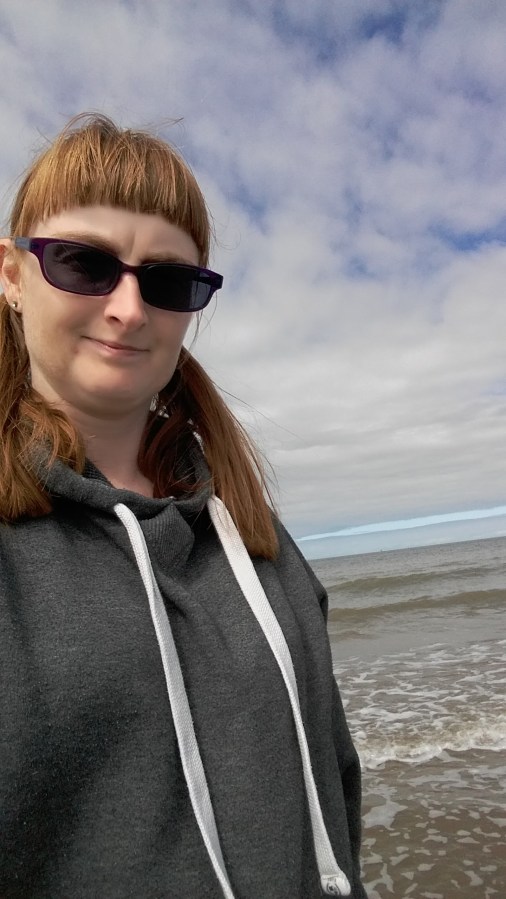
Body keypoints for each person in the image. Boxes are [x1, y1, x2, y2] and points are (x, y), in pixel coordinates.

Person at [0, 114, 367, 899]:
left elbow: (334, 779)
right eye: (83, 263)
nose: (129, 308)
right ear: (11, 274)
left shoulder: (256, 536)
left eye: (167, 280)